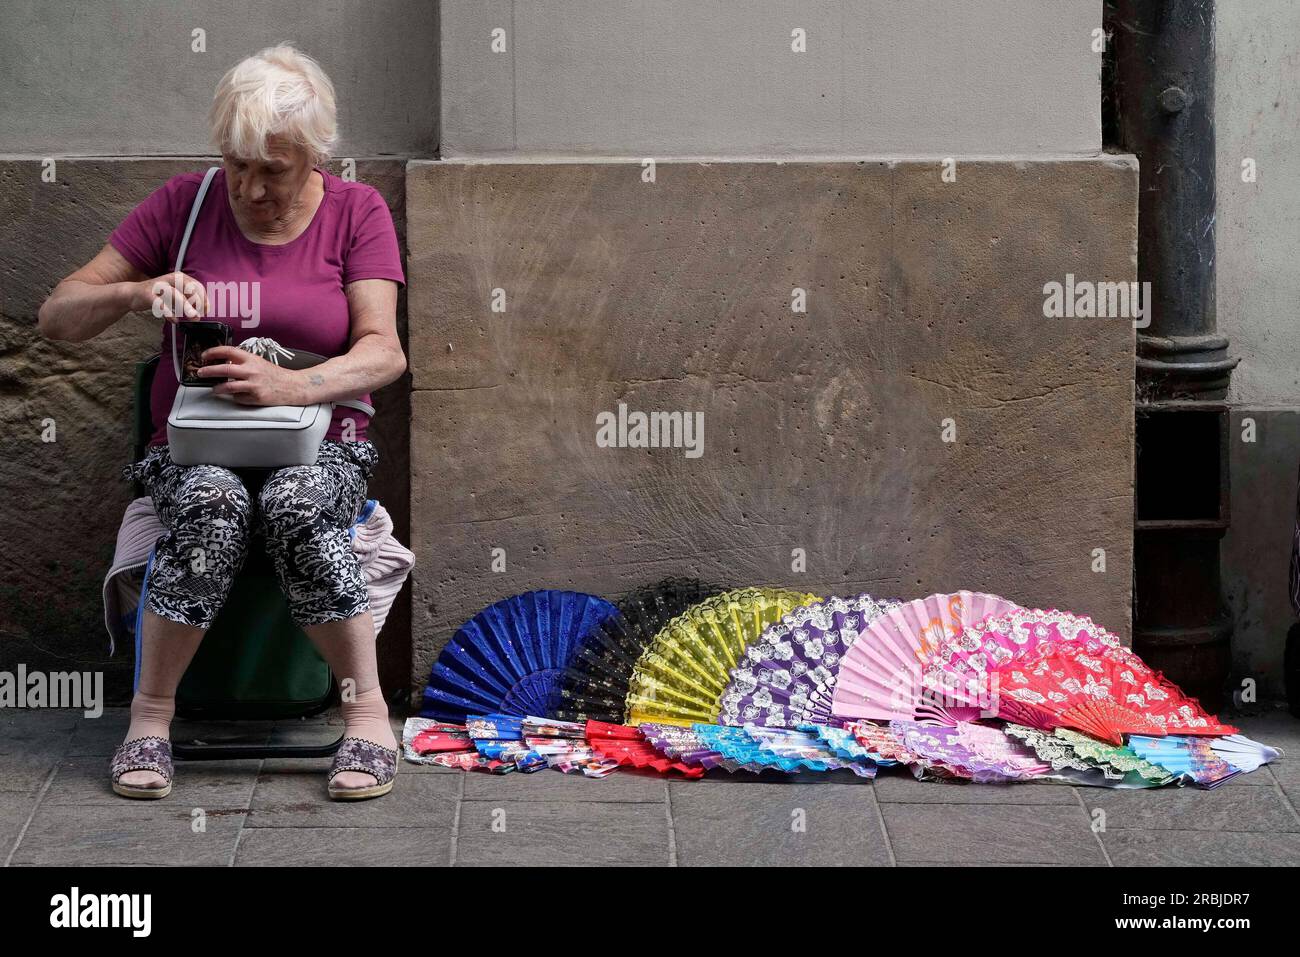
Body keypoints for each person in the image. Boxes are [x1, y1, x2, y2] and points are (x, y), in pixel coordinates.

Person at [37, 44, 407, 801]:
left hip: (320, 443)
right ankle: (151, 718)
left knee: (296, 504)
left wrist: (290, 382)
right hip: (193, 445)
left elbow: (384, 352)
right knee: (211, 500)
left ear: (314, 156)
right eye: (239, 164)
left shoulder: (354, 211)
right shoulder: (185, 203)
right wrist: (138, 292)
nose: (252, 187)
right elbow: (57, 317)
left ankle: (366, 712)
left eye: (274, 168)